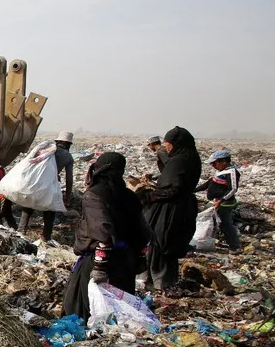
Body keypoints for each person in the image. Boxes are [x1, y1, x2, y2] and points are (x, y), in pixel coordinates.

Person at [62, 153, 152, 320]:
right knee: (120, 309)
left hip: (101, 261)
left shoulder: (94, 195)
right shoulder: (129, 195)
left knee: (83, 306)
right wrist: (139, 259)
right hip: (126, 261)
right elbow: (142, 231)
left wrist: (99, 267)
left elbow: (102, 233)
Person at [144, 126, 201, 292]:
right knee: (169, 243)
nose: (166, 147)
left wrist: (149, 196)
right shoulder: (190, 158)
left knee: (161, 242)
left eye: (167, 143)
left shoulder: (179, 161)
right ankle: (164, 280)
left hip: (170, 210)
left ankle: (159, 281)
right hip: (182, 207)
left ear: (176, 143)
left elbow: (173, 188)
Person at [20, 130, 74, 242]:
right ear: (68, 144)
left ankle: (20, 232)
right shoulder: (68, 157)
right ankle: (46, 238)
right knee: (49, 211)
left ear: (58, 141)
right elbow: (69, 178)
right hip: (50, 185)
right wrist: (67, 196)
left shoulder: (47, 150)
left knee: (28, 208)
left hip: (36, 183)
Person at [196, 149, 241, 250]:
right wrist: (194, 190)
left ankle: (235, 247)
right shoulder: (221, 171)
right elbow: (210, 182)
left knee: (225, 224)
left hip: (224, 204)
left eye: (214, 163)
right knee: (208, 221)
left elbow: (233, 189)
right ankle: (205, 241)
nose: (212, 165)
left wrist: (221, 201)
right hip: (215, 202)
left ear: (223, 161)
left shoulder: (232, 172)